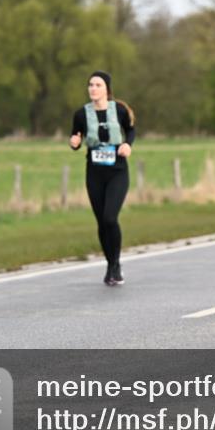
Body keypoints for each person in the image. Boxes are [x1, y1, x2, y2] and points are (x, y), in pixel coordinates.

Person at [69, 71, 135, 285]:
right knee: (101, 221)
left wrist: (127, 145)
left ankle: (116, 264)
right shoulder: (81, 114)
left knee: (110, 218)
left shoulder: (120, 110)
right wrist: (74, 143)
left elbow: (130, 131)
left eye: (97, 85)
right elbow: (76, 137)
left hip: (117, 171)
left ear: (106, 88)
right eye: (90, 85)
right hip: (94, 172)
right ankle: (110, 265)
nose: (93, 88)